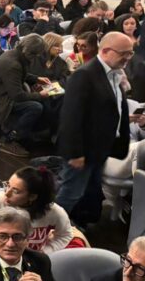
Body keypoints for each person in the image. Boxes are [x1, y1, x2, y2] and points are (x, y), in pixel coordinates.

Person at [56, 32, 135, 227]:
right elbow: (71, 117)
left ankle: (76, 225)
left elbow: (114, 107)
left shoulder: (115, 75)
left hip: (100, 148)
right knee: (71, 192)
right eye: (124, 53)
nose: (127, 58)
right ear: (106, 51)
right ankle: (48, 229)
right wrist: (75, 153)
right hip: (83, 149)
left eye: (130, 53)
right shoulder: (84, 75)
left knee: (89, 190)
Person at [0, 34, 56, 158]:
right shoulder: (13, 63)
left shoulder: (14, 54)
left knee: (40, 102)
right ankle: (8, 140)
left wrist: (37, 79)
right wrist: (40, 95)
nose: (37, 57)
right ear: (31, 52)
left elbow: (19, 75)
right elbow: (18, 96)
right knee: (35, 107)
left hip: (2, 94)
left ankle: (29, 133)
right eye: (36, 55)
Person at [0, 166, 78, 253]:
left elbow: (65, 235)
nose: (6, 193)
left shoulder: (54, 212)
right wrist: (7, 249)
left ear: (32, 197)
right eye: (7, 185)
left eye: (16, 191)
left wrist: (46, 252)